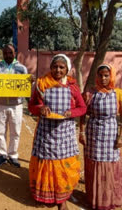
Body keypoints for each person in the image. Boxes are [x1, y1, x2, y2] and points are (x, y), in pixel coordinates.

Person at [28, 54, 86, 210]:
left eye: (61, 67)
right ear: (50, 67)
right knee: (45, 163)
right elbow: (31, 106)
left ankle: (62, 200)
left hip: (64, 134)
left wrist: (71, 113)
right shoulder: (42, 83)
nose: (58, 70)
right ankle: (43, 195)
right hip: (45, 132)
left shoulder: (73, 87)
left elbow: (82, 108)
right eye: (55, 66)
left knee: (62, 166)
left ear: (67, 69)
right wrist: (41, 109)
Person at [79, 64, 122, 210]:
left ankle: (109, 198)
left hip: (111, 134)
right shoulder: (91, 93)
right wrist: (81, 132)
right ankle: (93, 198)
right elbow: (83, 114)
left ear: (111, 76)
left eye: (106, 75)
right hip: (93, 134)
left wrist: (120, 137)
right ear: (96, 76)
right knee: (93, 163)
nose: (103, 78)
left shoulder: (118, 94)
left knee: (110, 163)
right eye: (100, 75)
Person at [0, 44, 28, 167]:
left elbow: (26, 86)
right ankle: (2, 155)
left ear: (15, 53)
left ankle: (13, 155)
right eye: (5, 53)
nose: (8, 55)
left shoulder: (22, 69)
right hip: (0, 104)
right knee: (0, 132)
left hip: (16, 105)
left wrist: (30, 82)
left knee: (15, 132)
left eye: (10, 53)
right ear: (3, 54)